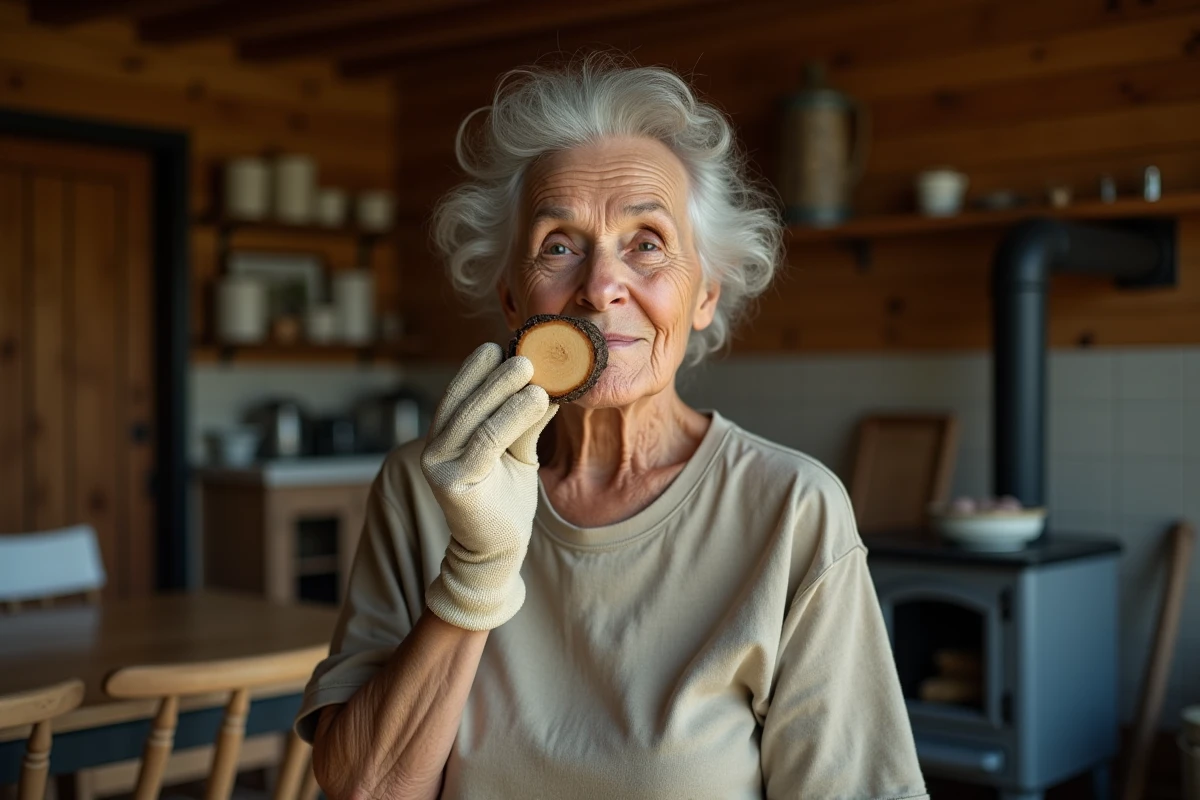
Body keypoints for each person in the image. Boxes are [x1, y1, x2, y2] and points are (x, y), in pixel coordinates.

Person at [295, 54, 927, 800]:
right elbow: (363, 788)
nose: (599, 288)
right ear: (513, 300)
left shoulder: (792, 510)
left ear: (704, 295)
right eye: (558, 245)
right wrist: (475, 573)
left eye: (646, 243)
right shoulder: (425, 485)